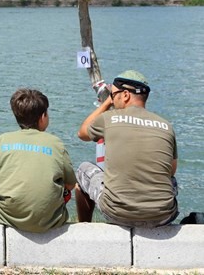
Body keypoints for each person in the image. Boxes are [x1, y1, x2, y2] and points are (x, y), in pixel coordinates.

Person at [75, 70, 178, 227]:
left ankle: (84, 228)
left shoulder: (109, 118)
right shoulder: (166, 126)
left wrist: (106, 103)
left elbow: (82, 133)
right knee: (170, 181)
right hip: (163, 215)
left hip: (116, 213)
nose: (113, 99)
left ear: (125, 95)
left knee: (83, 170)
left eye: (113, 95)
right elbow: (171, 171)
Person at [0, 88, 76, 233]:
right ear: (43, 117)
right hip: (51, 221)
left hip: (7, 218)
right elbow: (70, 185)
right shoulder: (56, 144)